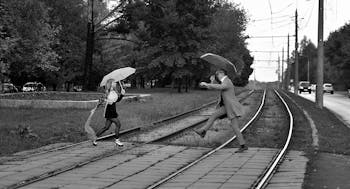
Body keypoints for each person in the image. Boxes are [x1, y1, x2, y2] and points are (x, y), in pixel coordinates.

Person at [194, 69, 248, 153]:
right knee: (214, 115)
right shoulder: (224, 82)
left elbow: (221, 87)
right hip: (226, 107)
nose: (217, 76)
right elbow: (215, 87)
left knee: (235, 127)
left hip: (231, 108)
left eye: (217, 74)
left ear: (222, 74)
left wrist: (207, 84)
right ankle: (203, 131)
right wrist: (210, 82)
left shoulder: (227, 81)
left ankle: (243, 145)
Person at [93, 79, 125, 146]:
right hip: (109, 112)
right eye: (113, 83)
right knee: (118, 124)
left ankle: (94, 138)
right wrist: (105, 100)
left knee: (106, 127)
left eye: (115, 83)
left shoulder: (114, 92)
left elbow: (116, 100)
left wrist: (122, 94)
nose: (115, 84)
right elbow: (102, 101)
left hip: (113, 111)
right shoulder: (107, 92)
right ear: (110, 84)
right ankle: (117, 140)